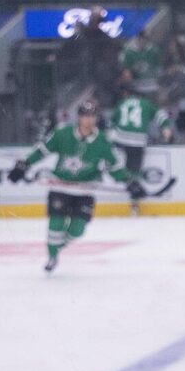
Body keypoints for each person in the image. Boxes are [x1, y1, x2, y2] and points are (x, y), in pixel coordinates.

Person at [10, 98, 119, 275]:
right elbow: (43, 150)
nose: (88, 120)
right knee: (55, 225)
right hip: (60, 188)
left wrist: (130, 182)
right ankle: (52, 256)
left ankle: (58, 246)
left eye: (92, 116)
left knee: (77, 230)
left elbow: (114, 166)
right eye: (85, 116)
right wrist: (25, 164)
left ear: (97, 118)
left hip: (85, 190)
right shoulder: (63, 133)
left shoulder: (103, 141)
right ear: (79, 117)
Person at [106, 84, 159, 212]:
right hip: (137, 141)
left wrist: (108, 140)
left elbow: (111, 123)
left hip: (120, 140)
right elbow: (160, 115)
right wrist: (166, 127)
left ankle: (123, 180)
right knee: (134, 170)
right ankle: (134, 201)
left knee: (115, 165)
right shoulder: (146, 104)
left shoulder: (121, 103)